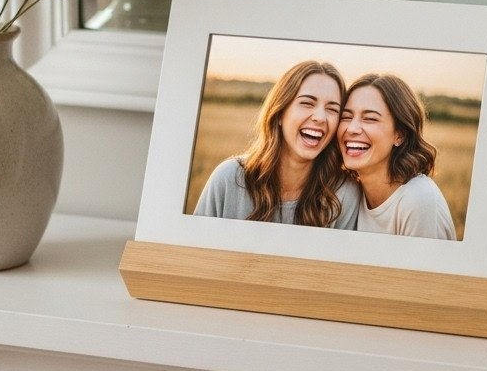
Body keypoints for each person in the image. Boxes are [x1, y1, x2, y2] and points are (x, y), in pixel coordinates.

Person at [193, 60, 360, 228]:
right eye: (307, 103)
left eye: (332, 109)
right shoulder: (227, 178)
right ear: (280, 113)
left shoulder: (344, 194)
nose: (320, 117)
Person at [338, 73, 457, 239]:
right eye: (346, 117)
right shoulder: (351, 193)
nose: (352, 128)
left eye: (370, 119)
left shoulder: (419, 200)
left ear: (399, 135)